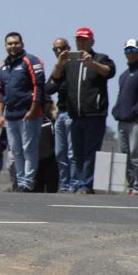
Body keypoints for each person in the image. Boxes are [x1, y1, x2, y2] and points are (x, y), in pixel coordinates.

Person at [50, 27, 116, 194]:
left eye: (85, 39)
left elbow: (110, 72)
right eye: (79, 39)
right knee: (77, 152)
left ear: (92, 41)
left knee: (90, 152)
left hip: (94, 114)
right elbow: (54, 80)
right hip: (75, 115)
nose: (81, 42)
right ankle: (77, 183)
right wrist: (60, 61)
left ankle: (86, 184)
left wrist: (92, 63)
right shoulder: (70, 62)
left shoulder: (101, 58)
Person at [0, 32, 45, 192]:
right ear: (5, 46)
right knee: (16, 151)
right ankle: (20, 181)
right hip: (11, 116)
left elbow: (39, 86)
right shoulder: (3, 66)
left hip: (28, 115)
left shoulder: (31, 61)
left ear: (22, 44)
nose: (13, 46)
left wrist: (32, 110)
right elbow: (0, 91)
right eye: (9, 43)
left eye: (16, 43)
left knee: (28, 149)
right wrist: (0, 114)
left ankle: (27, 183)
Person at [111, 39, 138, 195]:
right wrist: (116, 110)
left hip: (137, 121)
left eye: (133, 50)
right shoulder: (123, 75)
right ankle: (130, 185)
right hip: (122, 121)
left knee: (137, 154)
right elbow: (121, 95)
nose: (130, 53)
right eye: (128, 51)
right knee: (124, 156)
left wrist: (136, 110)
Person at [45, 37, 76, 193]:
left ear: (69, 48)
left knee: (72, 153)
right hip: (61, 113)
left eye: (62, 48)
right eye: (55, 49)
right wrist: (59, 64)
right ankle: (64, 185)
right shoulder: (59, 67)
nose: (59, 51)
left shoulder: (76, 64)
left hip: (73, 114)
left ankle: (73, 184)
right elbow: (49, 88)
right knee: (60, 152)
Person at [33, 98, 59, 193]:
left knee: (52, 192)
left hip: (51, 162)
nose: (45, 105)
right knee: (35, 193)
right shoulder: (33, 120)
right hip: (36, 162)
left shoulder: (55, 121)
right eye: (43, 103)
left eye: (48, 103)